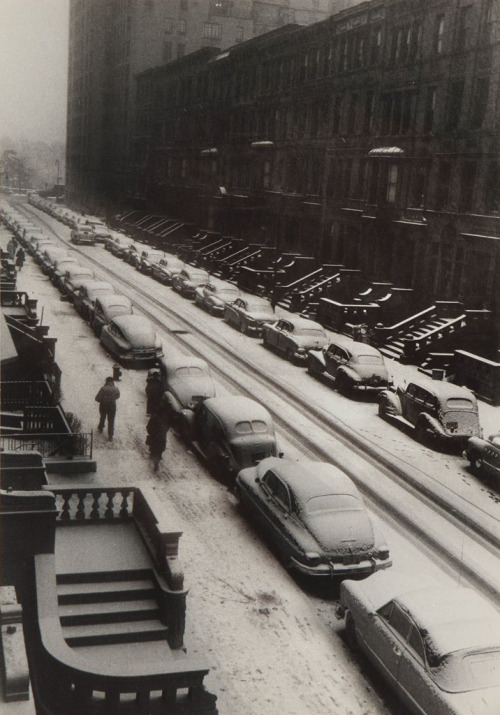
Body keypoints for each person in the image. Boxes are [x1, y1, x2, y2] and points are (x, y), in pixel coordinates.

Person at [95, 376, 120, 441]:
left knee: (103, 416)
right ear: (112, 382)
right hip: (112, 406)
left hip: (104, 404)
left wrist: (100, 400)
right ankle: (110, 435)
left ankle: (101, 427)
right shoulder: (116, 388)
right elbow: (118, 396)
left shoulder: (103, 388)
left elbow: (98, 397)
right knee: (111, 420)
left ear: (107, 381)